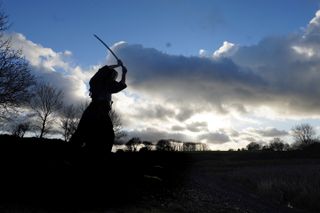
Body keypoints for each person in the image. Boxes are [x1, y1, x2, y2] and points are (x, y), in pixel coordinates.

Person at [70, 60, 127, 155]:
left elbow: (120, 84)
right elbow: (104, 70)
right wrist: (118, 66)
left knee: (101, 134)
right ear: (108, 75)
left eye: (114, 77)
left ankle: (93, 153)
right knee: (103, 134)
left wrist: (123, 73)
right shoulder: (96, 81)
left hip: (100, 110)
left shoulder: (109, 85)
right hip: (96, 109)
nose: (114, 78)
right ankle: (71, 154)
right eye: (113, 76)